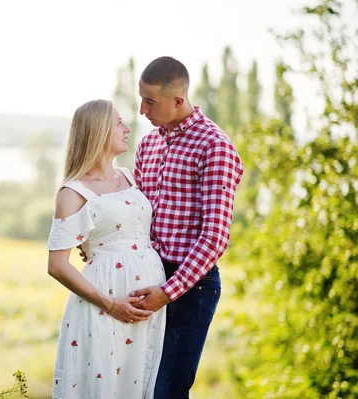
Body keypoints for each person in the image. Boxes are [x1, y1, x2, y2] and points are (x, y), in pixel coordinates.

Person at [129, 56, 244, 398]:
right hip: (146, 277)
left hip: (190, 286)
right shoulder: (147, 145)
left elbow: (215, 237)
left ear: (179, 100)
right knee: (137, 385)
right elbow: (137, 216)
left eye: (150, 102)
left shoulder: (214, 146)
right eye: (141, 98)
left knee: (166, 391)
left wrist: (168, 291)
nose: (141, 111)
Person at [47, 99, 167, 398]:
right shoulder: (73, 192)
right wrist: (110, 303)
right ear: (99, 131)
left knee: (142, 378)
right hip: (107, 301)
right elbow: (57, 265)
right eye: (118, 123)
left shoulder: (129, 176)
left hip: (148, 303)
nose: (127, 129)